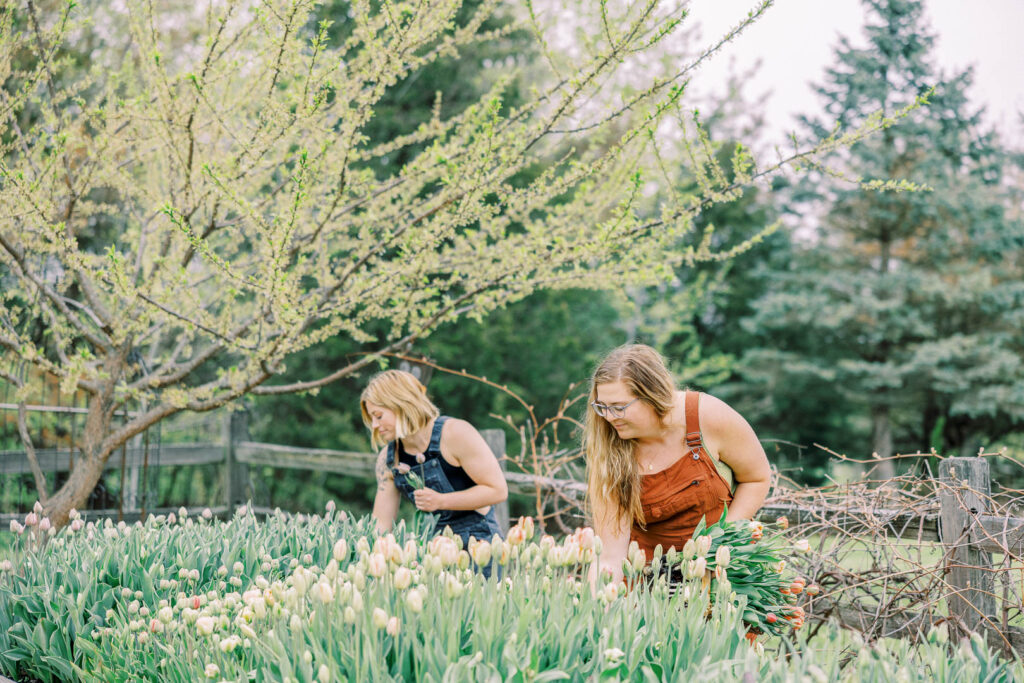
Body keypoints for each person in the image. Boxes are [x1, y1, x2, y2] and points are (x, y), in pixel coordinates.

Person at [584, 344, 771, 585]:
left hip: (721, 574)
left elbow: (757, 478)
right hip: (649, 582)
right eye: (602, 407)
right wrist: (600, 611)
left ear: (653, 395)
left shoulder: (708, 416)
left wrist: (719, 546)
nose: (609, 417)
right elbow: (610, 553)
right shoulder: (609, 447)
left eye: (619, 407)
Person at [361, 369, 508, 553]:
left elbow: (498, 490)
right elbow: (381, 524)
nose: (374, 425)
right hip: (431, 550)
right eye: (371, 418)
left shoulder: (455, 433)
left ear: (400, 404)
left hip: (479, 544)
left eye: (379, 416)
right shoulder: (388, 460)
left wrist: (441, 501)